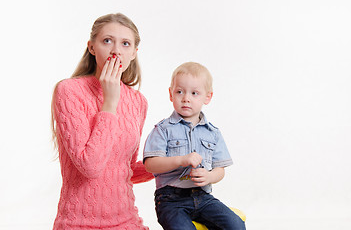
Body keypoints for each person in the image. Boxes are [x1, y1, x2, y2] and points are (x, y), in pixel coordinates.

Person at [51, 13, 154, 229]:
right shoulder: (69, 91)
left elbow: (124, 168)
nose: (116, 50)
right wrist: (110, 102)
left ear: (134, 53)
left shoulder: (138, 102)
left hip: (127, 221)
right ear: (91, 47)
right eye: (107, 41)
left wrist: (169, 164)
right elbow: (91, 167)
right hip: (78, 223)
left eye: (125, 44)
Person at [143, 62, 246, 230]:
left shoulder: (212, 133)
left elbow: (220, 170)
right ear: (170, 94)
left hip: (203, 197)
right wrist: (180, 160)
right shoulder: (163, 129)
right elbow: (150, 164)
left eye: (194, 93)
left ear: (207, 97)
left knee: (236, 225)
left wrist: (209, 177)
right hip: (170, 200)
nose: (186, 98)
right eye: (179, 91)